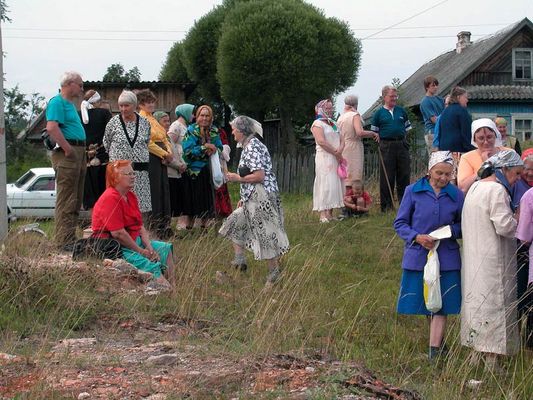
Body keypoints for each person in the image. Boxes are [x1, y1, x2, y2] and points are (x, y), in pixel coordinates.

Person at [394, 151, 464, 361]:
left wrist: (451, 231)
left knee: (441, 304)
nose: (443, 178)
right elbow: (400, 223)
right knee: (428, 303)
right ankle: (439, 343)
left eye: (448, 175)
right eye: (439, 173)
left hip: (447, 258)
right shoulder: (412, 191)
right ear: (429, 170)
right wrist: (416, 236)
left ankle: (434, 354)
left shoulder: (457, 195)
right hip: (418, 257)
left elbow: (464, 225)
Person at [461, 150, 524, 370]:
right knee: (494, 304)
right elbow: (504, 226)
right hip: (493, 258)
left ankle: (475, 354)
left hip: (475, 256)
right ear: (503, 170)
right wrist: (519, 218)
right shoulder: (497, 190)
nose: (517, 179)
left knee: (477, 303)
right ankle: (491, 359)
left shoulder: (475, 187)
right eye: (516, 174)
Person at [219, 116, 289, 284]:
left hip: (261, 196)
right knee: (234, 222)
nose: (232, 132)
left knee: (266, 234)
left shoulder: (253, 147)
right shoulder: (248, 146)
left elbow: (259, 176)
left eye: (234, 129)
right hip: (252, 195)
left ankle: (274, 274)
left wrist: (236, 178)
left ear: (242, 131)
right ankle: (239, 260)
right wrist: (244, 198)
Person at [91, 160, 174, 292]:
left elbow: (140, 226)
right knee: (149, 265)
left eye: (133, 173)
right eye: (128, 173)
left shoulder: (130, 196)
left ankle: (173, 285)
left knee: (164, 249)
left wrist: (150, 248)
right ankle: (169, 293)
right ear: (116, 177)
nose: (133, 176)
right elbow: (118, 233)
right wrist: (141, 251)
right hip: (116, 246)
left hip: (134, 241)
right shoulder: (110, 198)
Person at [45, 71, 87, 251]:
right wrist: (67, 149)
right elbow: (52, 127)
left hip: (79, 151)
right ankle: (63, 240)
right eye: (80, 84)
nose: (81, 88)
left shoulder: (70, 104)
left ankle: (69, 237)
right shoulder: (57, 102)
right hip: (68, 153)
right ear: (70, 84)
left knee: (76, 197)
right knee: (67, 197)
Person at [103, 91, 152, 214]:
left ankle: (138, 232)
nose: (123, 109)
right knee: (117, 205)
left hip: (139, 173)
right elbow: (106, 143)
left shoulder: (145, 123)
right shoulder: (112, 123)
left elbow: (146, 142)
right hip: (119, 173)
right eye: (121, 106)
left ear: (134, 105)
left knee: (138, 207)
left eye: (127, 105)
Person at [137, 89, 173, 238]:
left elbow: (164, 137)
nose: (151, 105)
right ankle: (153, 225)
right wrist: (163, 153)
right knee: (154, 191)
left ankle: (164, 225)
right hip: (151, 158)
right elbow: (148, 143)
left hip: (161, 158)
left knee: (163, 190)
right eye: (147, 102)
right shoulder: (141, 119)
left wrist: (169, 152)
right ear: (140, 104)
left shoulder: (153, 119)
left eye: (152, 102)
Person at [371, 85, 412, 212]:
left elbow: (408, 129)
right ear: (384, 97)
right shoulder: (378, 114)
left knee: (404, 174)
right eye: (391, 96)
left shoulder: (401, 111)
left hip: (401, 144)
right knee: (387, 176)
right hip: (386, 145)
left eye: (396, 96)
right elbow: (374, 132)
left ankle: (404, 205)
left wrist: (402, 140)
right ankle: (387, 207)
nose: (394, 98)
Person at [182, 105, 223, 227]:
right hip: (193, 171)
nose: (204, 118)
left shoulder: (214, 131)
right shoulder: (191, 130)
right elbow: (187, 151)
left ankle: (204, 231)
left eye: (207, 115)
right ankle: (189, 230)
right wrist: (204, 147)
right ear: (197, 116)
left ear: (211, 117)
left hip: (207, 170)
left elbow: (220, 147)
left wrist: (214, 149)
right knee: (193, 202)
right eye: (202, 115)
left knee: (206, 201)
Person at [512, 148, 533, 348]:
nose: (529, 174)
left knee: (526, 296)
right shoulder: (514, 184)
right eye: (526, 170)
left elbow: (525, 234)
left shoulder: (529, 196)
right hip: (517, 247)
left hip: (524, 245)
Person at [79, 89, 112, 212]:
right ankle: (104, 222)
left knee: (89, 192)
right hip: (102, 157)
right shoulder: (104, 113)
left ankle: (94, 222)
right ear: (97, 101)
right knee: (103, 190)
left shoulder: (78, 114)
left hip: (85, 158)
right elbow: (111, 133)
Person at [311, 99, 344, 222]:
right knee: (325, 183)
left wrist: (340, 150)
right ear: (320, 109)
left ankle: (330, 213)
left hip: (336, 156)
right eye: (327, 108)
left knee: (334, 184)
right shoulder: (317, 124)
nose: (330, 111)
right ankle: (323, 214)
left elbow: (342, 138)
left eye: (331, 108)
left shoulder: (334, 123)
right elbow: (321, 141)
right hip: (325, 157)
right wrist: (335, 152)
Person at [337, 95, 379, 183]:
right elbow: (359, 132)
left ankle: (345, 195)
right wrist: (372, 133)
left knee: (346, 173)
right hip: (353, 147)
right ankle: (353, 195)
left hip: (343, 146)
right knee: (354, 174)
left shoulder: (341, 117)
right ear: (356, 104)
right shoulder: (355, 115)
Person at [457, 118, 505, 193]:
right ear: (475, 140)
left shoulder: (508, 153)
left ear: (495, 136)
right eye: (481, 138)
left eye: (489, 137)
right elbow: (463, 188)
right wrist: (484, 167)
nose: (486, 142)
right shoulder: (467, 158)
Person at [436, 86, 474, 153]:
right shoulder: (462, 111)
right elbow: (466, 133)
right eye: (465, 97)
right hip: (458, 150)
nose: (467, 100)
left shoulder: (444, 111)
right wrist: (472, 149)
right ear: (458, 97)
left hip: (444, 150)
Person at [420, 76, 444, 154]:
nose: (436, 87)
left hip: (442, 131)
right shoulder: (425, 102)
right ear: (427, 87)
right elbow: (434, 120)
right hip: (432, 132)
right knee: (435, 158)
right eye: (433, 85)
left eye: (436, 85)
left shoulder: (440, 99)